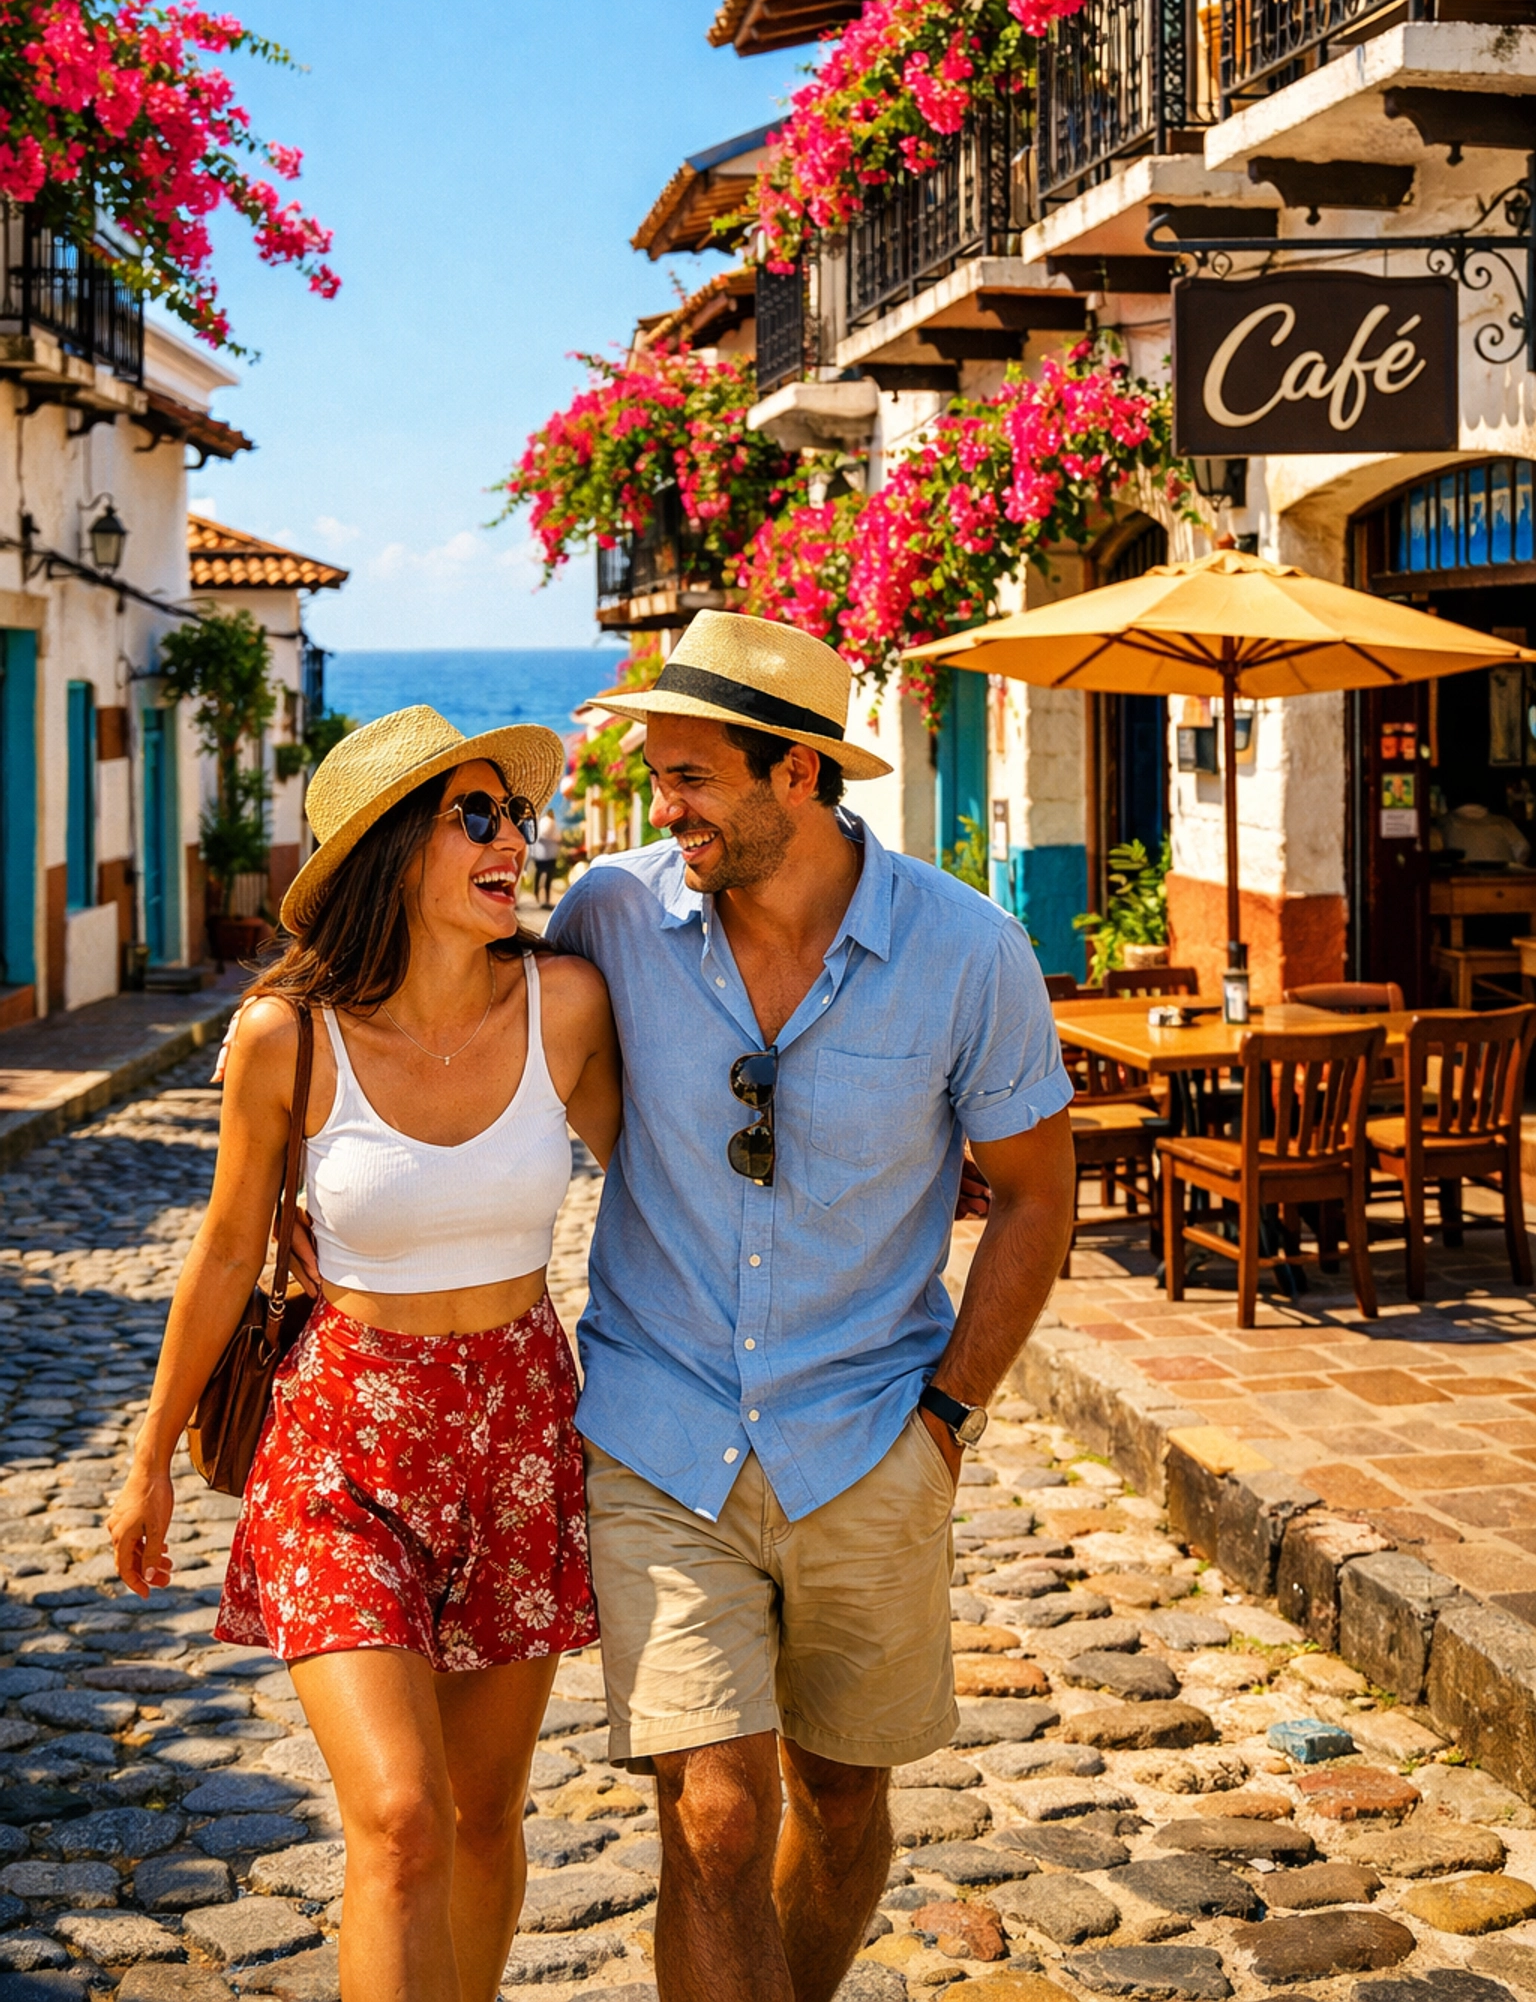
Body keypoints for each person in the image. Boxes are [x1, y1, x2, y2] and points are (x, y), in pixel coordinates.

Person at [546, 610, 1077, 2002]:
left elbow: (1036, 1196)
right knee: (715, 1815)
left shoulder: (970, 953)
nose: (668, 811)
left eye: (694, 779)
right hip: (660, 1433)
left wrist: (948, 1418)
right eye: (658, 778)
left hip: (869, 1439)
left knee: (841, 1807)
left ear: (798, 776)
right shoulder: (609, 914)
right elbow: (474, 1028)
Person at [108, 705, 622, 2002]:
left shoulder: (564, 1007)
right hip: (345, 1445)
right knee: (400, 1815)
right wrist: (149, 1456)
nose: (517, 837)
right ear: (394, 852)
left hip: (519, 1437)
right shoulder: (291, 1039)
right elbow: (228, 1252)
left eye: (515, 812)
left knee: (482, 1819)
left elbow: (676, 1186)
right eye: (479, 817)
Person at [530, 807, 562, 907]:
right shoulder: (552, 823)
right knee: (548, 876)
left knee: (539, 874)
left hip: (541, 854)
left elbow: (538, 836)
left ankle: (537, 894)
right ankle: (546, 898)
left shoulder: (541, 822)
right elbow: (558, 837)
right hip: (550, 854)